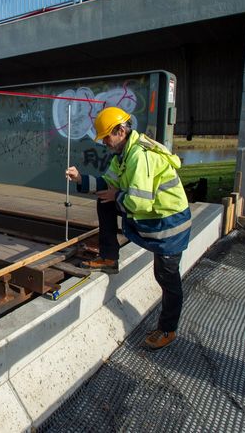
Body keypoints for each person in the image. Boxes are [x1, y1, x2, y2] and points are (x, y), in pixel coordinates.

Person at [65, 106, 191, 351]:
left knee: (166, 276)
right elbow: (108, 184)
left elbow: (140, 201)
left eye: (106, 137)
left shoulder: (139, 156)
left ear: (121, 131)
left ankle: (168, 329)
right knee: (105, 200)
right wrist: (81, 179)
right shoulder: (123, 154)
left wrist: (117, 195)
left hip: (168, 224)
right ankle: (109, 258)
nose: (104, 142)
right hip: (155, 217)